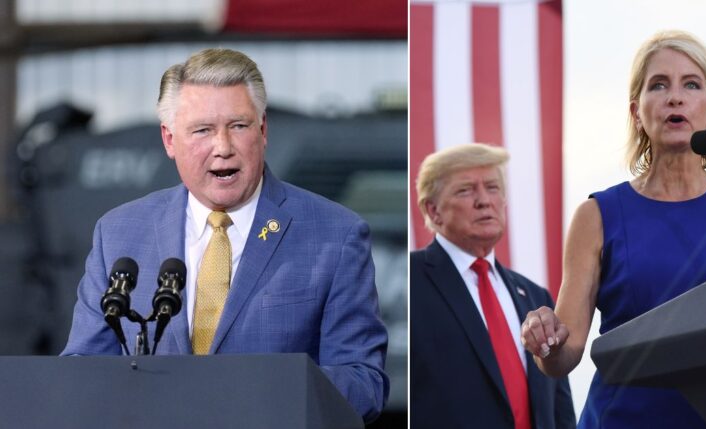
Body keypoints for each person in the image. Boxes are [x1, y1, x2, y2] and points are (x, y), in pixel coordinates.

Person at [61, 48, 389, 423]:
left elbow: (364, 383)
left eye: (238, 126)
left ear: (263, 130)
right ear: (169, 139)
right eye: (203, 130)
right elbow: (81, 370)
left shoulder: (335, 234)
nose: (223, 147)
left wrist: (264, 391)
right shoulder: (119, 233)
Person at [520, 30, 706, 428]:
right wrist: (547, 339)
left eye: (691, 84)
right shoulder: (596, 215)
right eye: (658, 85)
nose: (675, 97)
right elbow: (562, 357)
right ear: (636, 113)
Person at [411, 143, 576, 429]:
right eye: (465, 190)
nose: (484, 200)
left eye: (492, 188)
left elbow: (560, 412)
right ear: (433, 210)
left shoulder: (535, 296)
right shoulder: (412, 281)